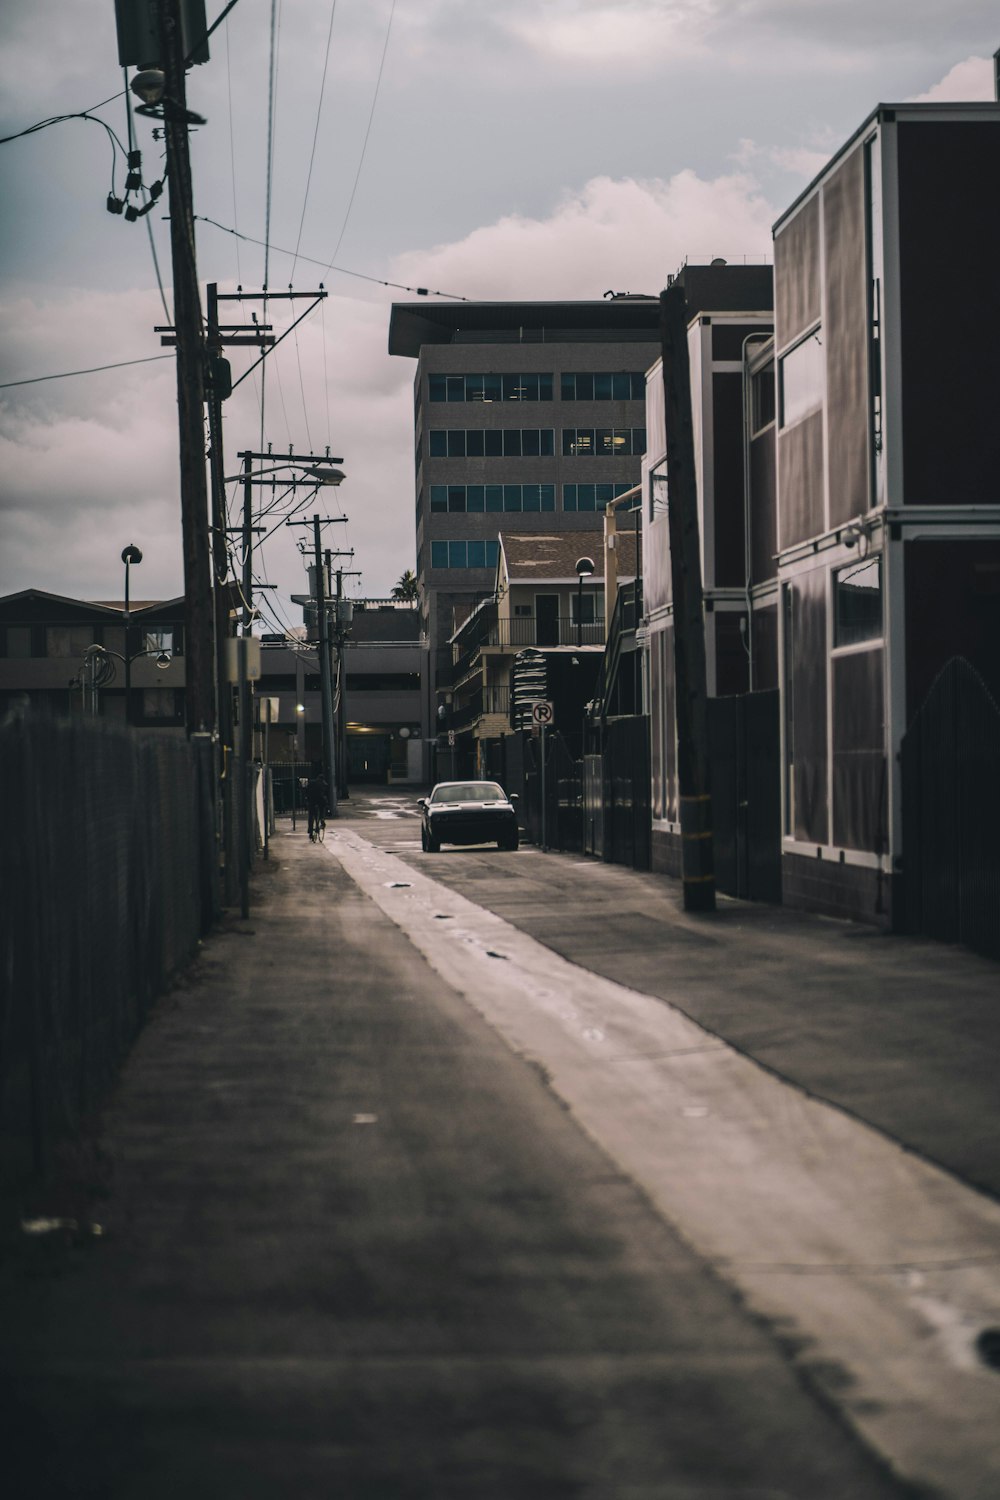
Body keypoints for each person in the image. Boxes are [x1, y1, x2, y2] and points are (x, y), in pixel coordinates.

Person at [305, 771, 328, 841]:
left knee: (311, 815)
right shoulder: (323, 783)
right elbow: (325, 793)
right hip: (320, 801)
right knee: (322, 807)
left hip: (312, 801)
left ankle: (310, 830)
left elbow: (306, 791)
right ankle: (322, 819)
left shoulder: (311, 782)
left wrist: (307, 800)